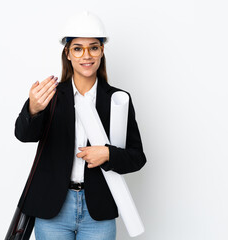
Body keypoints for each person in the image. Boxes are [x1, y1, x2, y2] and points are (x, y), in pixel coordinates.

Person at [14, 11, 146, 240]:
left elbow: (137, 157)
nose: (86, 55)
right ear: (67, 53)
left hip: (98, 211)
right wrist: (33, 109)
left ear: (102, 51)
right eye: (78, 48)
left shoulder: (118, 100)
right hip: (53, 208)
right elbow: (24, 135)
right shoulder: (50, 96)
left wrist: (107, 154)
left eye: (93, 47)